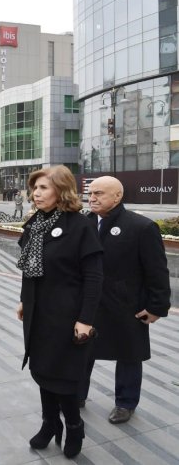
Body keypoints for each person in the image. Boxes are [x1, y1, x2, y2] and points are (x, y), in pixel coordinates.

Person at [15, 165, 103, 459]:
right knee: (41, 370)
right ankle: (50, 423)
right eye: (35, 188)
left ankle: (74, 426)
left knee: (63, 377)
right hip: (38, 312)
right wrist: (24, 300)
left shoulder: (80, 226)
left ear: (61, 191)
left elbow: (94, 277)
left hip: (67, 315)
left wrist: (86, 319)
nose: (36, 194)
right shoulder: (35, 224)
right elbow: (29, 272)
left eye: (43, 188)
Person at [79, 176, 171, 423]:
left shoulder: (141, 227)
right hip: (89, 303)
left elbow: (157, 271)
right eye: (91, 193)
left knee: (129, 354)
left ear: (117, 196)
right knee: (82, 350)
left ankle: (126, 403)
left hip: (127, 305)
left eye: (99, 193)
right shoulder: (82, 223)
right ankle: (77, 394)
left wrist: (157, 307)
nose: (92, 198)